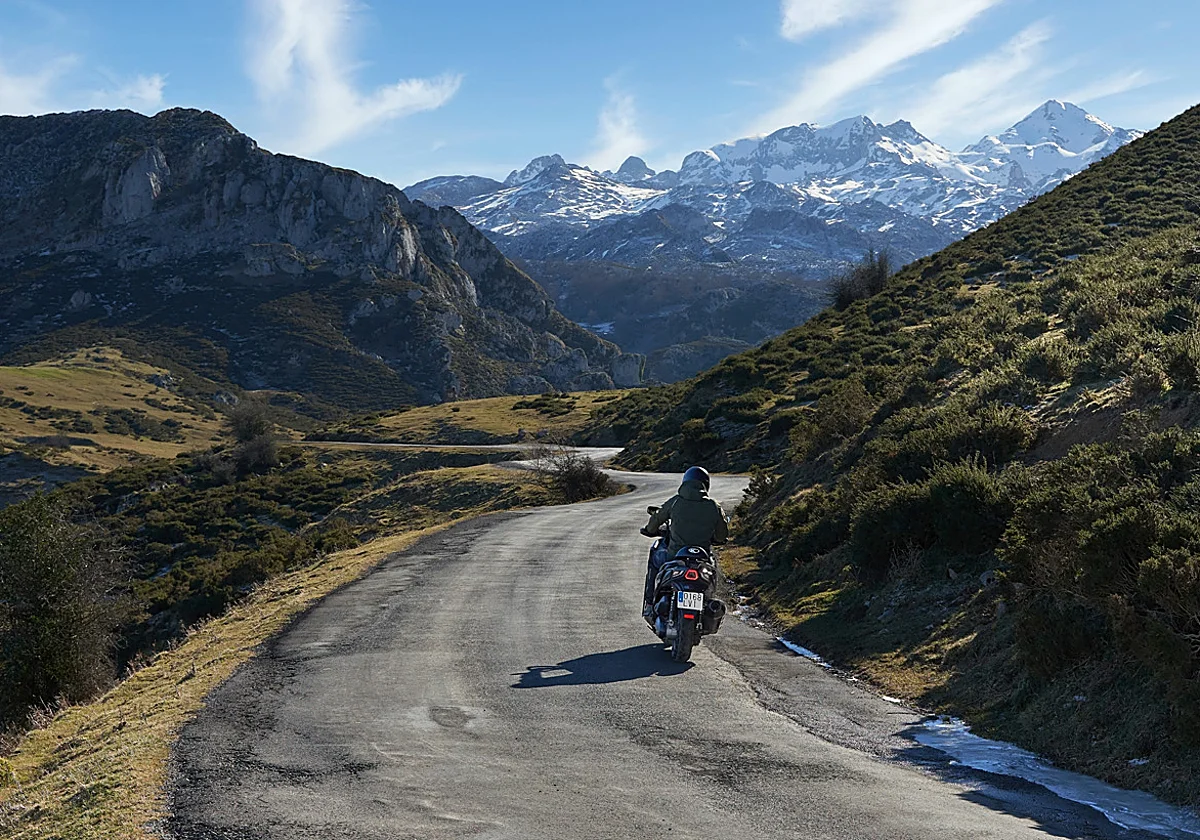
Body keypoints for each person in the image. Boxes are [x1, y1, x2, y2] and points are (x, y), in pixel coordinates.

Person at [639, 466, 728, 617]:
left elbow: (657, 518)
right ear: (706, 484)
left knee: (655, 557)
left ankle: (649, 603)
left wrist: (650, 529)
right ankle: (708, 600)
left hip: (675, 556)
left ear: (685, 482)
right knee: (712, 569)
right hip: (702, 558)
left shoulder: (675, 502)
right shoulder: (714, 506)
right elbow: (722, 535)